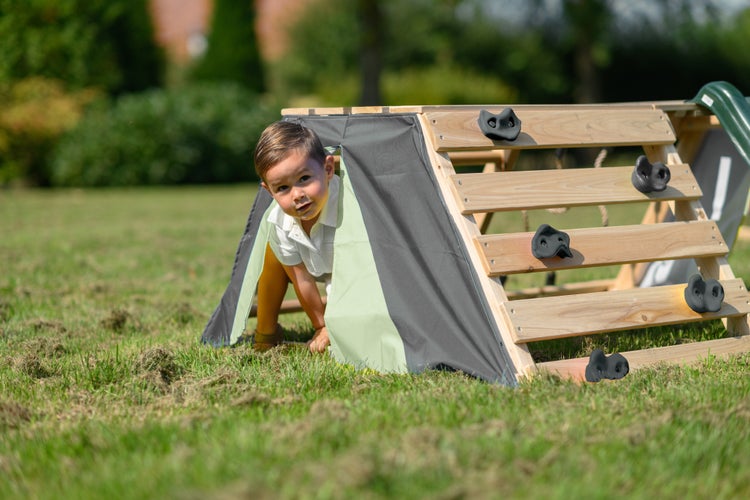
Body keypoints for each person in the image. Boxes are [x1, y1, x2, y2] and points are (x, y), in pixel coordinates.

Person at [251, 121, 338, 354]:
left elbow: (357, 275)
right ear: (269, 191)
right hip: (312, 264)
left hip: (349, 273)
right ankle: (265, 333)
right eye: (282, 188)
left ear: (328, 169)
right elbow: (302, 280)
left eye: (304, 179)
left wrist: (337, 325)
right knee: (272, 253)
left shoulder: (347, 208)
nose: (297, 195)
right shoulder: (280, 222)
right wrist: (321, 325)